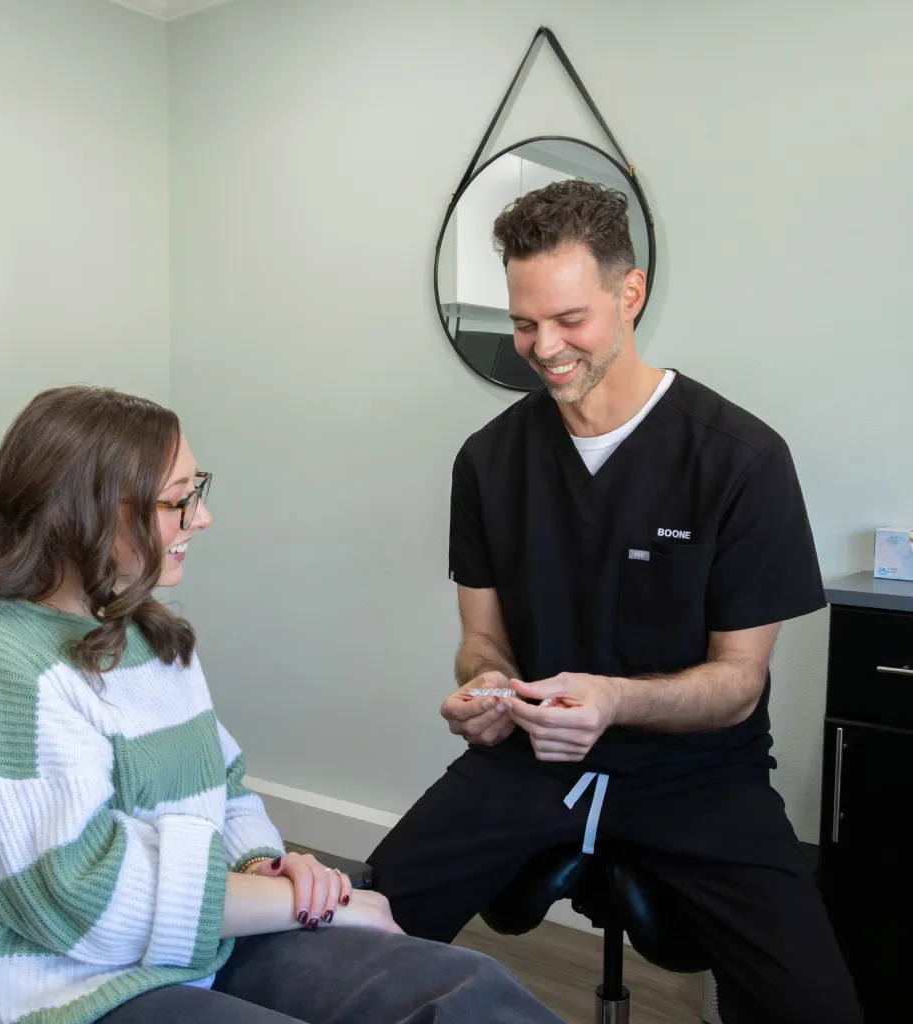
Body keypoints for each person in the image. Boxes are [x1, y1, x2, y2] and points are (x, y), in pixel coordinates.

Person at [0, 386, 563, 1024]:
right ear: (84, 512)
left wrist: (261, 864)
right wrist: (311, 905)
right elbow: (80, 900)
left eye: (198, 490)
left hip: (192, 942)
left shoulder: (144, 633)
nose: (202, 518)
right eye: (178, 499)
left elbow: (223, 785)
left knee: (468, 990)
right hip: (46, 984)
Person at [368, 180, 863, 1024]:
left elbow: (738, 681)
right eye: (525, 323)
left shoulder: (740, 460)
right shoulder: (488, 462)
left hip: (699, 777)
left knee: (815, 1006)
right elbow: (481, 638)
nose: (543, 347)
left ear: (629, 293)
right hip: (531, 766)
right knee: (349, 931)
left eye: (570, 320)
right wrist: (486, 689)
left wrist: (614, 700)